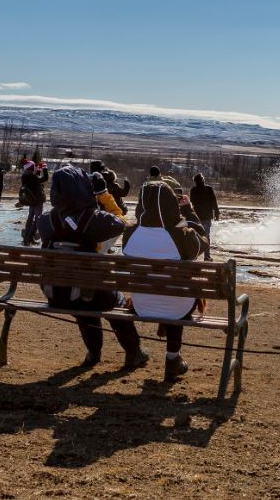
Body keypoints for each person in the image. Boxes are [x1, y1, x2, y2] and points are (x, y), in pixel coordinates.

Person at [38, 165, 148, 369]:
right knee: (113, 302)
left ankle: (93, 352)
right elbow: (122, 223)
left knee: (85, 300)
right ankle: (134, 353)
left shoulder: (46, 221)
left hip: (58, 295)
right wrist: (103, 195)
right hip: (87, 295)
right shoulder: (93, 219)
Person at [123, 180, 207, 382]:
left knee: (168, 292)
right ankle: (172, 359)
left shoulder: (130, 234)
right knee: (175, 297)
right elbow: (204, 240)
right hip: (177, 305)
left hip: (142, 303)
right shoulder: (179, 235)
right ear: (171, 203)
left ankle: (153, 351)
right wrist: (188, 212)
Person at [18, 159, 49, 245]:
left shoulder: (25, 176)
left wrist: (38, 170)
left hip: (31, 200)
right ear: (31, 168)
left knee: (30, 218)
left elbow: (36, 180)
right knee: (37, 219)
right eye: (34, 167)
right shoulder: (32, 177)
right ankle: (29, 238)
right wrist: (45, 168)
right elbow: (44, 178)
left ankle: (27, 236)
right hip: (38, 201)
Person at [190, 173, 219, 259]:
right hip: (206, 216)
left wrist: (190, 215)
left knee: (196, 236)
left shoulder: (193, 190)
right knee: (206, 236)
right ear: (203, 179)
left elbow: (191, 204)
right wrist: (216, 213)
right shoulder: (209, 189)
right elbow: (214, 202)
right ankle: (207, 256)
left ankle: (194, 256)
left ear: (195, 181)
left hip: (197, 217)